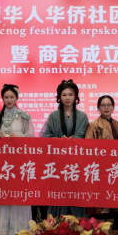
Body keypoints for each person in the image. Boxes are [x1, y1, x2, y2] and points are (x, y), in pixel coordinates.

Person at [0, 84, 34, 235]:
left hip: (18, 163)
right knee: (1, 195)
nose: (9, 100)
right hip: (0, 164)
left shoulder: (24, 117)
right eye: (6, 97)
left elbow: (31, 137)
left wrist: (18, 135)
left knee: (17, 194)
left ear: (17, 98)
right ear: (2, 98)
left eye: (12, 97)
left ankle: (18, 234)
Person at [41, 79, 88, 218]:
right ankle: (55, 225)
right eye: (64, 95)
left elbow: (85, 137)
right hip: (58, 163)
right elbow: (45, 136)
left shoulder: (82, 116)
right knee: (58, 195)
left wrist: (73, 140)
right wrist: (59, 141)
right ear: (59, 97)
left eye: (70, 94)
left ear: (76, 97)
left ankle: (79, 226)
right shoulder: (53, 116)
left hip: (76, 163)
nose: (67, 98)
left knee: (76, 195)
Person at [85, 95, 118, 217]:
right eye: (103, 105)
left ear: (113, 107)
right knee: (101, 205)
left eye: (109, 105)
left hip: (115, 169)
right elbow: (88, 148)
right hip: (99, 169)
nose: (106, 108)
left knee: (115, 203)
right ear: (98, 108)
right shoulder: (93, 125)